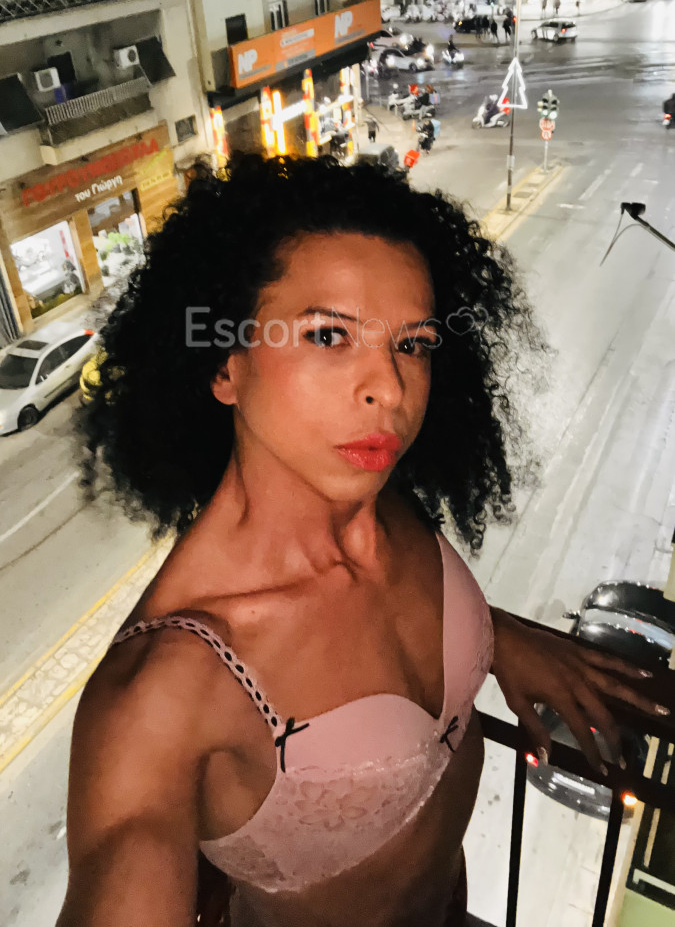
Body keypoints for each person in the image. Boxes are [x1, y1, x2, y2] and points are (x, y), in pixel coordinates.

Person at [57, 155, 664, 927]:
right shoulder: (165, 689)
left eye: (411, 344)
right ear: (225, 367)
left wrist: (493, 637)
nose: (388, 388)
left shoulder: (385, 506)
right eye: (327, 335)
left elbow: (381, 615)